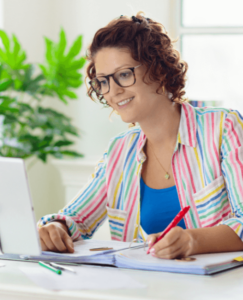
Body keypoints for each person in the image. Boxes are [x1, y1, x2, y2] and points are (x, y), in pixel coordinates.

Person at [37, 12, 243, 259]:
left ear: (159, 70)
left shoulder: (223, 128)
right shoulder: (119, 152)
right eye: (103, 81)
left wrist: (192, 240)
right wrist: (55, 228)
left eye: (124, 74)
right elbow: (76, 218)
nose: (113, 91)